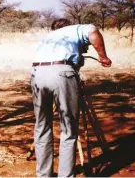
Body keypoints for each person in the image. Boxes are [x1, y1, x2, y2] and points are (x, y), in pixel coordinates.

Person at [31, 18, 112, 177]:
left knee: (41, 126)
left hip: (36, 74)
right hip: (62, 74)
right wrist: (103, 56)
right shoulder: (77, 29)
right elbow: (93, 31)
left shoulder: (48, 37)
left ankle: (43, 175)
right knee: (68, 129)